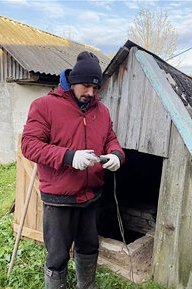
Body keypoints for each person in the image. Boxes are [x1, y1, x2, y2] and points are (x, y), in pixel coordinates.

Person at [21, 51, 124, 289]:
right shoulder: (44, 106)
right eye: (86, 86)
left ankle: (86, 286)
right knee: (57, 256)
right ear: (73, 81)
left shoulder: (102, 111)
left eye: (95, 88)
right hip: (59, 199)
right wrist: (69, 156)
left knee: (89, 247)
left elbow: (110, 139)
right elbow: (29, 145)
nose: (91, 93)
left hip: (91, 195)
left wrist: (116, 154)